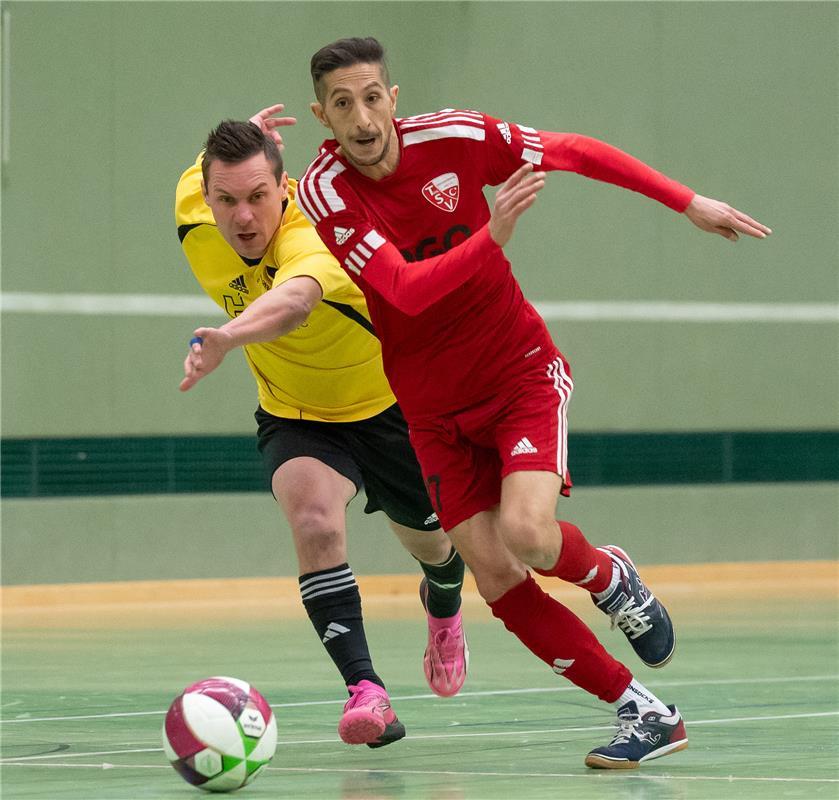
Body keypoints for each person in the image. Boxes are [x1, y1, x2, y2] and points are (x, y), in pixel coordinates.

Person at [295, 37, 772, 769]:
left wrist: (686, 201)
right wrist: (493, 234)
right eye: (340, 104)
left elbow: (572, 150)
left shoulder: (455, 137)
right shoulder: (325, 189)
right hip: (430, 410)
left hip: (516, 371)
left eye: (369, 97)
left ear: (393, 97)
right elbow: (402, 290)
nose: (360, 118)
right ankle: (642, 712)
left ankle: (610, 577)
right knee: (492, 572)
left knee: (528, 533)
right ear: (321, 115)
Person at [175, 109, 470, 748]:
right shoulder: (194, 209)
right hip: (296, 412)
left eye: (259, 196)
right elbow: (207, 175)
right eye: (227, 200)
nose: (244, 217)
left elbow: (295, 301)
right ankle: (366, 691)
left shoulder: (319, 233)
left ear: (283, 190)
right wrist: (244, 137)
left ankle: (443, 599)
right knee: (314, 522)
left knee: (435, 546)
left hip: (387, 406)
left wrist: (227, 335)